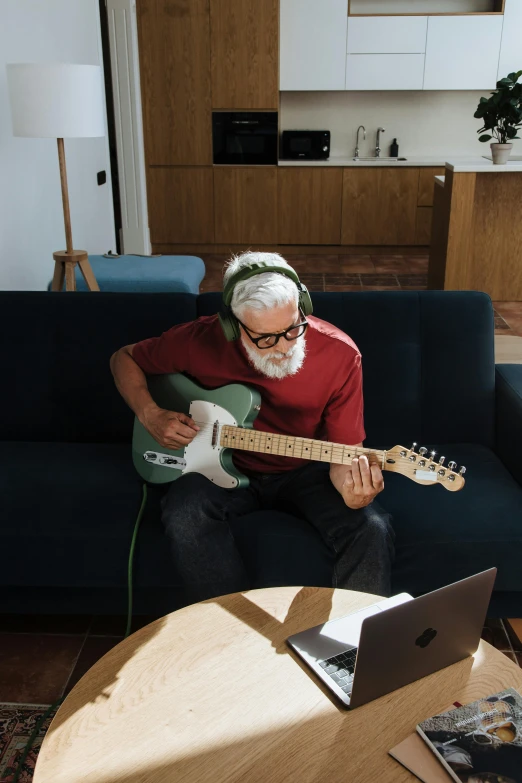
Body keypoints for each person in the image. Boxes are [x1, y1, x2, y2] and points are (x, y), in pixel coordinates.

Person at [110, 251, 395, 603]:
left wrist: (354, 491)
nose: (284, 347)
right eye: (265, 338)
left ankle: (354, 645)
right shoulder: (197, 341)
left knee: (371, 526)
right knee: (184, 514)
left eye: (293, 328)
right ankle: (231, 633)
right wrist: (150, 413)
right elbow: (123, 358)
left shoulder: (340, 355)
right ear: (233, 325)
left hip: (305, 470)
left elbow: (344, 455)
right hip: (218, 467)